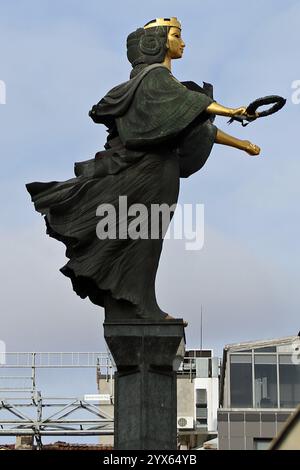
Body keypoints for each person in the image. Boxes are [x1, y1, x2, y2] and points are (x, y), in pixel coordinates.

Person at [26, 17, 260, 323]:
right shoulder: (155, 78)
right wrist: (232, 110)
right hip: (150, 172)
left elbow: (197, 121)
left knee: (148, 238)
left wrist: (241, 143)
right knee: (145, 239)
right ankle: (139, 302)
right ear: (159, 41)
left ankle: (139, 298)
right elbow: (194, 105)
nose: (183, 42)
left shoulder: (164, 85)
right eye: (177, 35)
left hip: (161, 172)